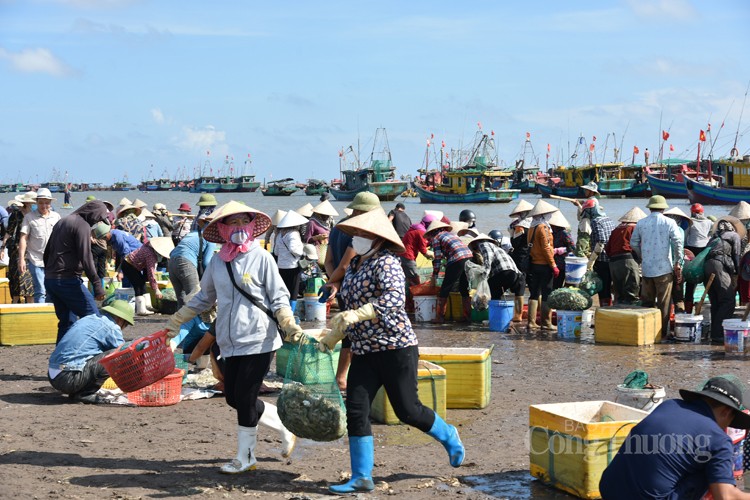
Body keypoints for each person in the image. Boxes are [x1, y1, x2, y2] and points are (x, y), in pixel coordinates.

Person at [317, 208, 465, 494]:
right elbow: (349, 307)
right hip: (364, 351)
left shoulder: (387, 262)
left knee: (408, 410)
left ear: (377, 238)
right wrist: (334, 336)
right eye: (356, 234)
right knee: (356, 409)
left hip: (395, 348)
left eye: (363, 234)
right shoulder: (355, 265)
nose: (357, 238)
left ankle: (448, 434)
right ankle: (361, 476)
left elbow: (395, 299)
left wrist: (359, 313)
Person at [165, 201, 302, 473]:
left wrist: (288, 322)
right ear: (223, 229)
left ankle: (245, 457)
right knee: (233, 397)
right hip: (229, 340)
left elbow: (279, 296)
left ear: (252, 226)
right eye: (233, 222)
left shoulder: (262, 258)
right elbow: (204, 297)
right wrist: (177, 319)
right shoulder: (218, 261)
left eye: (244, 222)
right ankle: (284, 426)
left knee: (246, 397)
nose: (240, 227)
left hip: (259, 337)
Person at [599, 375, 750, 499]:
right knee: (715, 473)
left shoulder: (669, 405)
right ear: (726, 412)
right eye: (731, 421)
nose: (726, 428)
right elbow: (725, 496)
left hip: (609, 489)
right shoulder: (719, 438)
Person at [323, 192, 382, 393]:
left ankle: (344, 378)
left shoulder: (338, 227)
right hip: (357, 288)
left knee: (348, 331)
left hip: (342, 287)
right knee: (356, 333)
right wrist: (337, 282)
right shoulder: (361, 230)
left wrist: (334, 284)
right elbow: (345, 265)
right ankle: (343, 378)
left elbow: (328, 262)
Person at [43, 200, 110, 343]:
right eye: (98, 218)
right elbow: (86, 257)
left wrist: (49, 275)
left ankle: (60, 356)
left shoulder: (62, 221)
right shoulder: (82, 225)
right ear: (93, 213)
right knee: (93, 318)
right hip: (67, 280)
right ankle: (99, 353)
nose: (97, 222)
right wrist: (97, 285)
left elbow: (47, 252)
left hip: (51, 279)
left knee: (67, 322)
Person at [47, 300, 133, 404]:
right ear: (120, 319)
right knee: (116, 355)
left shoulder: (89, 319)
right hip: (68, 378)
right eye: (126, 324)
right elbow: (124, 353)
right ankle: (86, 393)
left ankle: (79, 391)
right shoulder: (111, 327)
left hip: (53, 375)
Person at [630, 195, 684, 341]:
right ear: (663, 208)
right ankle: (662, 333)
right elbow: (678, 242)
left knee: (647, 303)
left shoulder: (641, 223)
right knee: (664, 304)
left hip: (647, 269)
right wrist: (678, 262)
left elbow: (633, 243)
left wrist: (642, 256)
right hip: (664, 269)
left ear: (650, 208)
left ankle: (645, 332)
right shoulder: (669, 222)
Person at [96, 223, 171, 316]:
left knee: (141, 283)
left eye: (104, 238)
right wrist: (156, 290)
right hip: (129, 264)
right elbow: (151, 273)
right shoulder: (151, 255)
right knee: (138, 285)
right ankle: (141, 309)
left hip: (131, 261)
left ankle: (147, 306)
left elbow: (127, 253)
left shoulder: (118, 236)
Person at [424, 219, 473, 323]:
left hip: (458, 258)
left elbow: (437, 259)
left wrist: (434, 275)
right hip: (468, 257)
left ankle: (440, 317)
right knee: (463, 287)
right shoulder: (450, 234)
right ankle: (468, 317)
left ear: (432, 232)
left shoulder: (436, 238)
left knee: (445, 288)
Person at [18, 187, 61, 303]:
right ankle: (40, 311)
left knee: (52, 289)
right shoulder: (29, 217)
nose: (44, 206)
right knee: (40, 290)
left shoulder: (56, 217)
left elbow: (61, 237)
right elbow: (23, 238)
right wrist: (21, 259)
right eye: (41, 203)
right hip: (35, 259)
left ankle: (51, 311)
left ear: (50, 203)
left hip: (53, 260)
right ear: (36, 202)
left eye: (47, 203)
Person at [705, 217, 744, 343]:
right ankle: (719, 333)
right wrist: (738, 273)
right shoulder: (734, 236)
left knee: (716, 301)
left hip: (707, 266)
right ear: (733, 227)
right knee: (728, 300)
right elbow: (736, 256)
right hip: (718, 266)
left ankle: (714, 334)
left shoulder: (713, 238)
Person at [168, 215, 217, 307]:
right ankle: (197, 317)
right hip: (186, 262)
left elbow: (173, 252)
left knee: (181, 300)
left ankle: (180, 316)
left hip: (172, 262)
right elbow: (206, 262)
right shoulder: (210, 237)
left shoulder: (192, 233)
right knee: (195, 299)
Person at [526, 200, 559, 331]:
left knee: (534, 293)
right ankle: (546, 323)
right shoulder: (543, 228)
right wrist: (553, 265)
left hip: (534, 264)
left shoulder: (531, 228)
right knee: (547, 293)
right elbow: (546, 248)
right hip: (544, 265)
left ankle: (531, 322)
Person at [605, 207, 646, 305]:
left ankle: (618, 309)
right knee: (631, 290)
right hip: (628, 260)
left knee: (618, 292)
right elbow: (639, 246)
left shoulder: (616, 229)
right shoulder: (635, 228)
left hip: (614, 262)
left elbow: (607, 248)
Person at [581, 198, 616, 305]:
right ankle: (608, 308)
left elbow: (601, 241)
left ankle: (605, 309)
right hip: (612, 258)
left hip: (602, 260)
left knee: (603, 288)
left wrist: (591, 261)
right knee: (609, 286)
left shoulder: (595, 222)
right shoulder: (608, 219)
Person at [1, 195, 35, 303]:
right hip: (17, 250)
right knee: (17, 277)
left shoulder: (35, 215)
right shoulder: (16, 215)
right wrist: (2, 248)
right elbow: (9, 232)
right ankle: (15, 302)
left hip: (32, 250)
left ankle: (30, 306)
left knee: (30, 280)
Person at [467, 233, 520, 299]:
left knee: (489, 290)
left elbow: (488, 260)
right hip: (513, 274)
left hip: (504, 272)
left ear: (475, 244)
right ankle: (496, 304)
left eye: (474, 249)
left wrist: (484, 278)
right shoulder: (495, 247)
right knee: (496, 294)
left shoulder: (483, 245)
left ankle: (489, 305)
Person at [399, 214, 435, 311]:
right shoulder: (421, 232)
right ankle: (414, 306)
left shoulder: (415, 228)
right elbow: (424, 251)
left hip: (404, 256)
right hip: (408, 257)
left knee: (408, 282)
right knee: (415, 282)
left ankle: (408, 305)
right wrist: (435, 255)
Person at [273, 210, 307, 305]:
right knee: (293, 290)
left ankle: (283, 307)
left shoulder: (279, 234)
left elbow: (276, 252)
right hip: (293, 265)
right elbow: (293, 249)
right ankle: (291, 311)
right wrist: (302, 253)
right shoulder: (294, 233)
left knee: (283, 290)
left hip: (281, 266)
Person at [508, 199, 534, 323]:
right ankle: (534, 314)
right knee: (533, 285)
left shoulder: (520, 226)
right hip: (532, 256)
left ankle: (518, 314)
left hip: (521, 257)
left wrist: (512, 233)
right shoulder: (535, 225)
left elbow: (515, 243)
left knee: (520, 284)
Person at [685, 203, 714, 312]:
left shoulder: (690, 222)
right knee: (706, 277)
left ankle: (688, 307)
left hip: (692, 250)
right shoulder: (709, 222)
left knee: (690, 279)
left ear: (692, 212)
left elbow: (684, 237)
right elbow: (712, 235)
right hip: (704, 250)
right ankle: (712, 302)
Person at [664, 207, 691, 314]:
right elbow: (679, 248)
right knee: (678, 298)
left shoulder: (662, 229)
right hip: (677, 267)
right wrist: (678, 265)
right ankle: (679, 318)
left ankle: (665, 319)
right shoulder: (680, 230)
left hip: (663, 267)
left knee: (665, 297)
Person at [549, 211, 575, 290]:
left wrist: (560, 250)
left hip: (563, 263)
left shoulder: (564, 233)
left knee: (558, 284)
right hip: (554, 262)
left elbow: (573, 247)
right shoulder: (552, 232)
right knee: (554, 285)